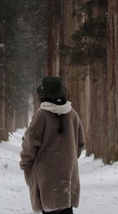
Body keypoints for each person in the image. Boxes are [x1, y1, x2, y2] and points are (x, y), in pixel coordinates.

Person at [20, 76, 85, 214]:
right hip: (68, 175)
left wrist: (26, 165)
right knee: (66, 209)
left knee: (50, 209)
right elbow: (80, 143)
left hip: (46, 177)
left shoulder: (41, 115)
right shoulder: (72, 114)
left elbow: (30, 144)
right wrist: (69, 159)